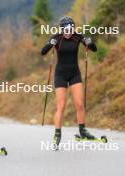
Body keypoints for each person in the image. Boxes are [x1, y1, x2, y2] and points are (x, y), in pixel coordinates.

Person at [41, 16, 97, 148]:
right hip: (60, 74)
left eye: (71, 28)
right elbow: (43, 52)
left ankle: (82, 130)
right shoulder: (57, 37)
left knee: (79, 104)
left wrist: (89, 42)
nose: (69, 31)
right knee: (61, 106)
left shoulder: (78, 36)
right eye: (66, 29)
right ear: (62, 29)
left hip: (74, 74)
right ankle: (57, 134)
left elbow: (94, 49)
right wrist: (50, 44)